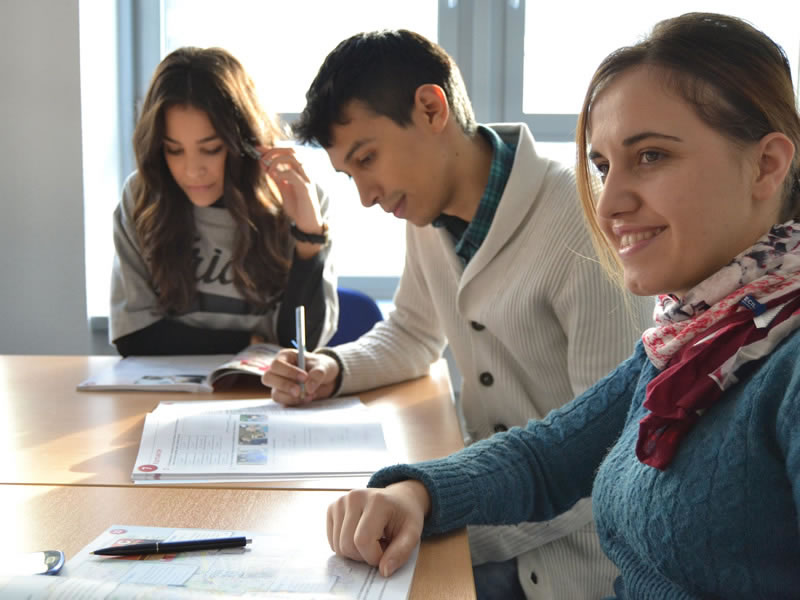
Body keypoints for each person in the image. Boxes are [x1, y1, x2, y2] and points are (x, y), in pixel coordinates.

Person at [324, 12, 800, 599]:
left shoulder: (782, 361)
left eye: (651, 155)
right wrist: (415, 491)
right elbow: (549, 455)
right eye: (601, 166)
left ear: (768, 164)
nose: (609, 204)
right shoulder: (697, 335)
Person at [262, 30, 653, 599]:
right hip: (485, 507)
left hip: (572, 564)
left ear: (430, 107)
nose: (367, 196)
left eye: (367, 159)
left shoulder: (581, 221)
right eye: (349, 175)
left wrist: (440, 524)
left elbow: (604, 461)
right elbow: (413, 334)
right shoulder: (426, 215)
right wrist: (333, 368)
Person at [110, 47, 338, 356]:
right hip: (165, 395)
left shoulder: (294, 199)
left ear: (242, 144)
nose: (192, 170)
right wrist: (249, 344)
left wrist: (309, 237)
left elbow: (300, 346)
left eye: (211, 148)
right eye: (174, 150)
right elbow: (134, 337)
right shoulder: (143, 197)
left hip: (266, 395)